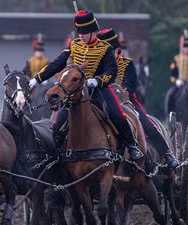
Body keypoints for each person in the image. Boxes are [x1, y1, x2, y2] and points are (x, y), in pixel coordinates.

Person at [29, 10, 143, 161]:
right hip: (74, 91)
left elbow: (112, 72)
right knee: (57, 125)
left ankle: (132, 145)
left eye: (84, 32)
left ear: (93, 31)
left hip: (98, 90)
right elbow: (57, 63)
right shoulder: (74, 45)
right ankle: (59, 156)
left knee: (118, 115)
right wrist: (36, 79)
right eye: (79, 31)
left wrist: (97, 80)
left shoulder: (105, 48)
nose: (81, 35)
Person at [98, 28, 179, 168]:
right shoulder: (97, 66)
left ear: (117, 51)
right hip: (104, 102)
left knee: (147, 125)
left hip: (127, 102)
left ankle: (167, 153)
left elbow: (130, 86)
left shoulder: (127, 64)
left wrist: (119, 93)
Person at [165, 32, 188, 116]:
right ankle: (169, 115)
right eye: (186, 47)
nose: (187, 49)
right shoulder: (177, 58)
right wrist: (176, 80)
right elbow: (173, 73)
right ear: (183, 48)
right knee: (170, 94)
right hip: (179, 83)